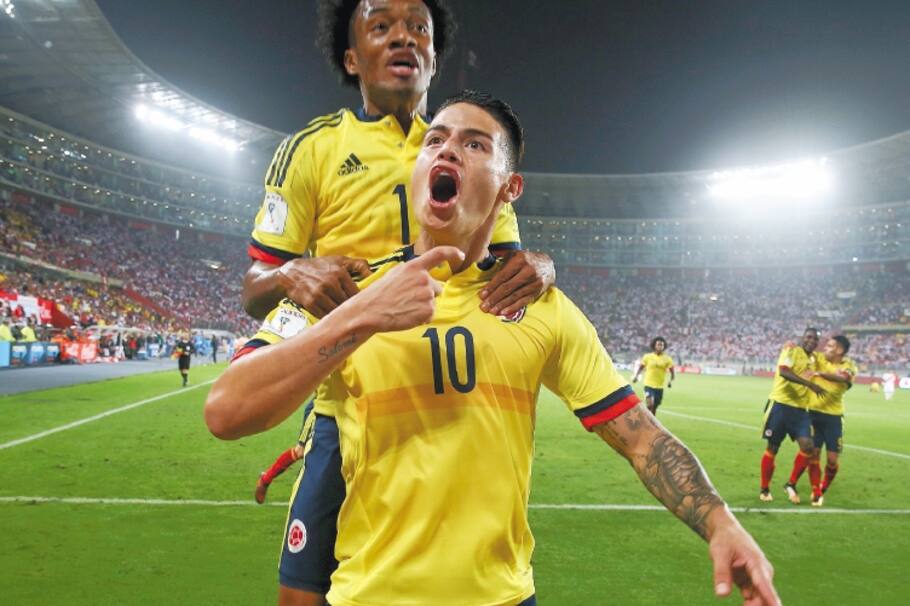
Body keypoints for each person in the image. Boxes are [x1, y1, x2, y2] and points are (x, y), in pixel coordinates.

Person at [207, 92, 780, 606]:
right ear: (416, 171)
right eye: (435, 141)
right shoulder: (344, 290)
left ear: (510, 189)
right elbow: (226, 410)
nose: (447, 151)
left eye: (474, 144)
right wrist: (365, 313)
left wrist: (721, 523)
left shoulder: (542, 309)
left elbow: (639, 437)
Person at [242, 3, 555, 602]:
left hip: (451, 403)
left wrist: (542, 264)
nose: (403, 37)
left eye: (418, 28)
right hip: (349, 405)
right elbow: (253, 285)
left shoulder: (469, 152)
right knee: (299, 595)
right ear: (351, 56)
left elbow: (506, 265)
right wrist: (289, 277)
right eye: (380, 25)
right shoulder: (312, 150)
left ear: (435, 57)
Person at [759, 327, 826, 503]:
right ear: (802, 337)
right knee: (773, 448)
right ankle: (765, 488)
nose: (811, 341)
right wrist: (809, 384)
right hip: (780, 405)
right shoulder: (791, 350)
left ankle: (791, 484)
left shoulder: (814, 359)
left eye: (815, 339)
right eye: (809, 337)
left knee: (808, 446)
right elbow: (784, 372)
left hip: (800, 410)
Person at [789, 335, 856, 507]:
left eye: (830, 346)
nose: (825, 348)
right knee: (813, 453)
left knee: (832, 459)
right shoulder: (818, 358)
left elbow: (843, 378)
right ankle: (813, 491)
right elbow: (804, 351)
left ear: (840, 350)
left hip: (834, 417)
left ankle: (823, 487)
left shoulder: (848, 366)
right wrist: (792, 345)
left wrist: (818, 373)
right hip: (812, 414)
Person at [632, 336, 675, 414]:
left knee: (655, 406)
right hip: (648, 384)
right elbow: (641, 367)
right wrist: (636, 376)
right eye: (658, 344)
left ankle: (652, 421)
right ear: (654, 345)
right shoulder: (647, 357)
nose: (660, 346)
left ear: (664, 346)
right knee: (650, 404)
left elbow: (672, 372)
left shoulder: (667, 359)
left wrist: (670, 381)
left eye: (661, 345)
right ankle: (647, 421)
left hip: (659, 386)